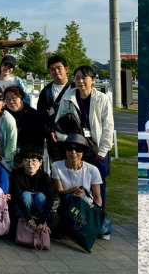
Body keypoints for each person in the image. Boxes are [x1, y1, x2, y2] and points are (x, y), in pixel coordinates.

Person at [54, 65, 115, 206]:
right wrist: (66, 140)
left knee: (98, 183)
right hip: (77, 147)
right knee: (76, 182)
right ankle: (78, 218)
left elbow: (108, 126)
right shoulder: (68, 97)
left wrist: (103, 150)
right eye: (77, 78)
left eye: (84, 78)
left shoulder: (102, 99)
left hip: (97, 147)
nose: (80, 81)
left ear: (93, 80)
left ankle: (98, 216)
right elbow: (59, 123)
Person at [50, 133, 107, 241]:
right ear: (65, 151)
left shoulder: (92, 169)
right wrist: (71, 190)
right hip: (67, 204)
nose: (73, 153)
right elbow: (60, 191)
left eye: (78, 150)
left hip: (86, 204)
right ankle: (69, 227)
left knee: (104, 228)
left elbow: (97, 196)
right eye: (69, 149)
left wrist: (95, 208)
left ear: (84, 152)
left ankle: (71, 228)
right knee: (70, 197)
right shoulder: (56, 166)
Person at [9, 146, 54, 234]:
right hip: (22, 210)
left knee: (41, 196)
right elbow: (18, 197)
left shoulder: (44, 176)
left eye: (34, 160)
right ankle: (23, 224)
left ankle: (41, 224)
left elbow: (50, 198)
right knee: (25, 195)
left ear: (40, 162)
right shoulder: (16, 175)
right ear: (22, 162)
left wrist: (43, 220)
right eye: (26, 160)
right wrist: (28, 218)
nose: (30, 164)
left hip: (39, 211)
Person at [38, 55, 72, 164]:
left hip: (73, 137)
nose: (56, 71)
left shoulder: (75, 88)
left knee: (75, 167)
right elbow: (41, 115)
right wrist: (49, 131)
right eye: (52, 69)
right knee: (57, 168)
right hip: (54, 138)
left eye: (59, 68)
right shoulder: (46, 91)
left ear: (66, 69)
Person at [3, 85, 45, 154]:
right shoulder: (3, 114)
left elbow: (39, 139)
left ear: (22, 99)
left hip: (28, 154)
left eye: (14, 98)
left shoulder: (34, 115)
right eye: (7, 99)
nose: (11, 101)